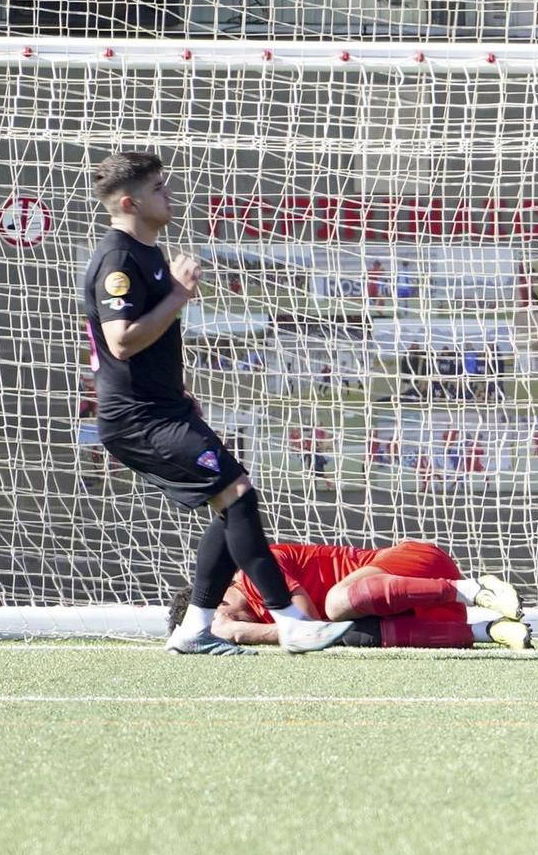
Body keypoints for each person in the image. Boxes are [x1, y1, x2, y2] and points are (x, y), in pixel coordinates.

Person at [81, 151, 351, 656]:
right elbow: (120, 340)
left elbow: (147, 347)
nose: (169, 194)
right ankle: (291, 621)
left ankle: (195, 629)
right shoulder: (118, 259)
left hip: (163, 409)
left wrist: (176, 388)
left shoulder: (147, 253)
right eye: (159, 188)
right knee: (238, 496)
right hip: (137, 419)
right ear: (129, 201)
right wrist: (180, 295)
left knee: (231, 503)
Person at [175, 540, 532, 650]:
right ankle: (489, 631)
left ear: (218, 602)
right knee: (353, 635)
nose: (232, 631)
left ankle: (475, 589)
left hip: (418, 566)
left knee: (336, 604)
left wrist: (247, 634)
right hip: (419, 609)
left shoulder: (255, 569)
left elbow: (311, 625)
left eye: (219, 624)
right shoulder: (257, 614)